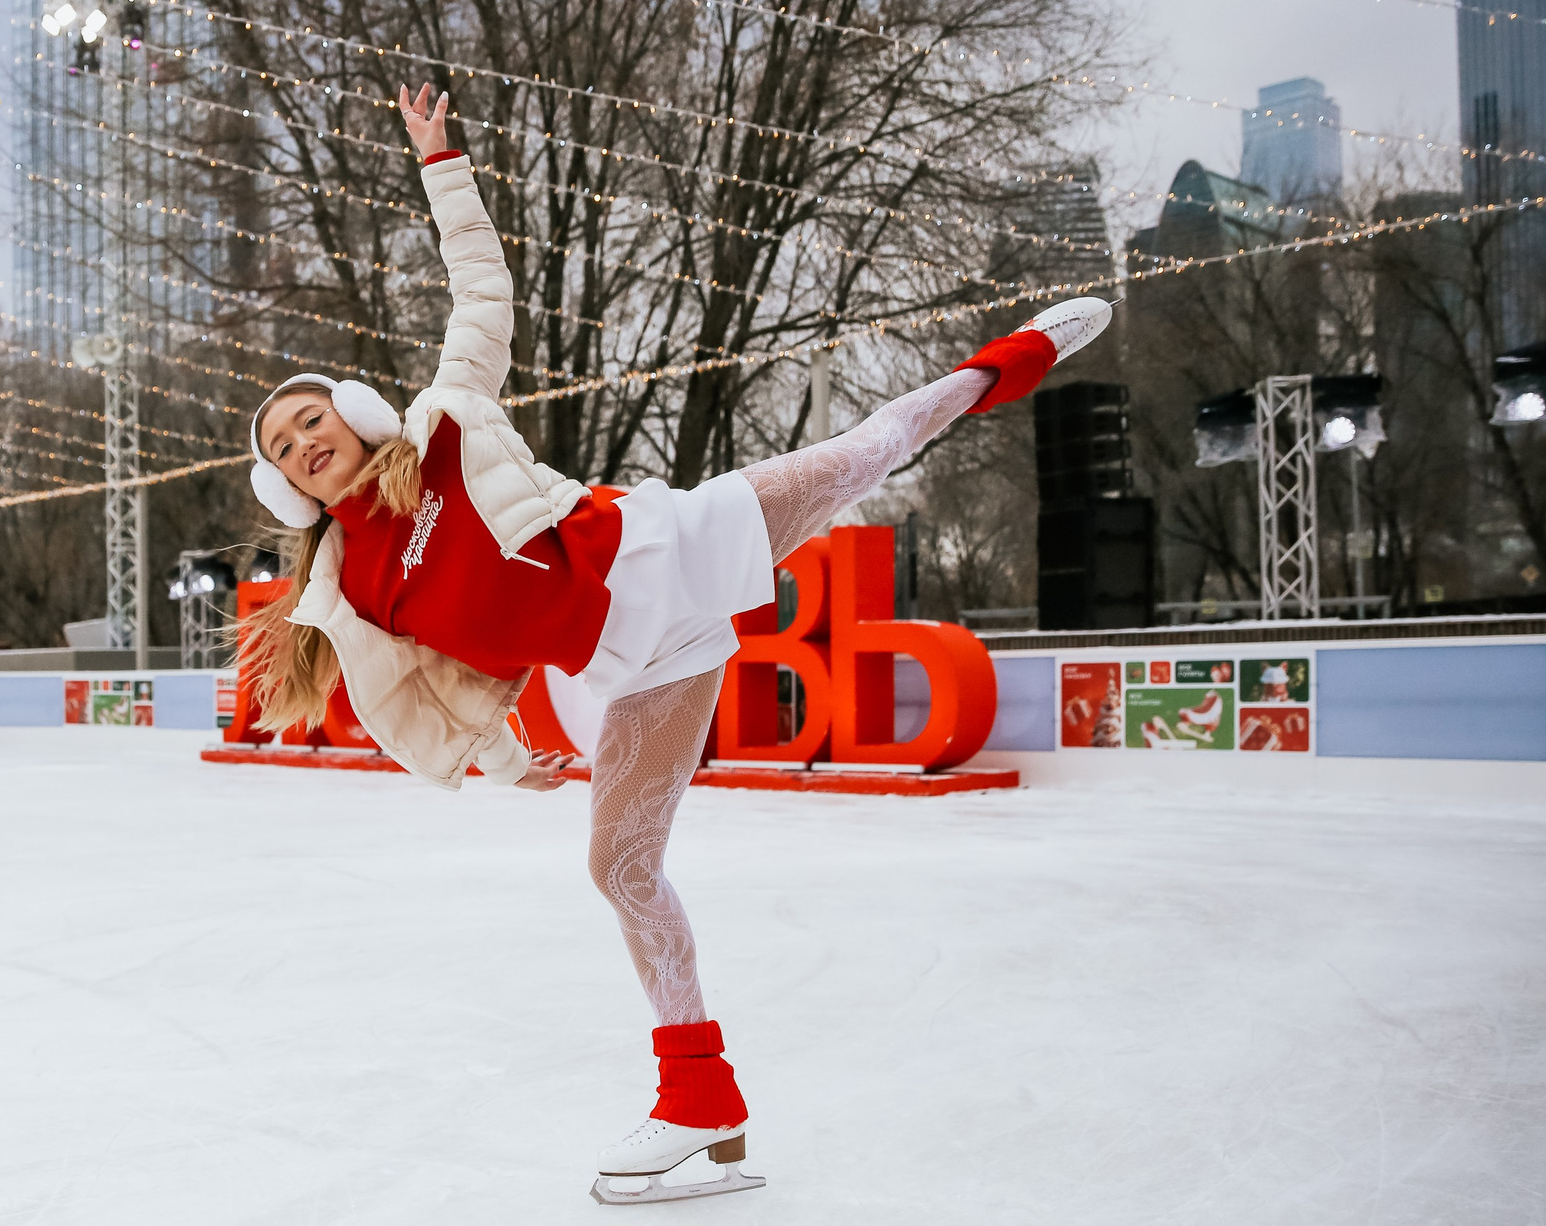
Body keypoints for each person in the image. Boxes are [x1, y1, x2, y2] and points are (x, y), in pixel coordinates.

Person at [242, 85, 1111, 1204]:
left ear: (351, 414)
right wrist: (510, 762)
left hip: (666, 551)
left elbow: (481, 289)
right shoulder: (352, 592)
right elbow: (440, 691)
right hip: (640, 668)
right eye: (279, 445)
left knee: (860, 455)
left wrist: (440, 158)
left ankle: (1005, 362)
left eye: (308, 416)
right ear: (283, 489)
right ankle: (702, 1110)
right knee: (619, 866)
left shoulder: (446, 421)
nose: (301, 440)